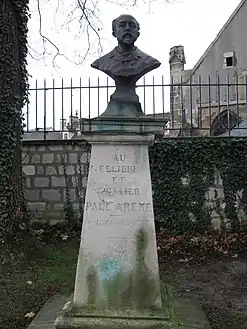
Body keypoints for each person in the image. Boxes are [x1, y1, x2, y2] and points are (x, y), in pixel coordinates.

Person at [91, 14, 161, 103]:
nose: (127, 28)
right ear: (114, 33)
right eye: (122, 25)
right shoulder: (101, 63)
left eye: (132, 26)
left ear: (138, 34)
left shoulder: (149, 61)